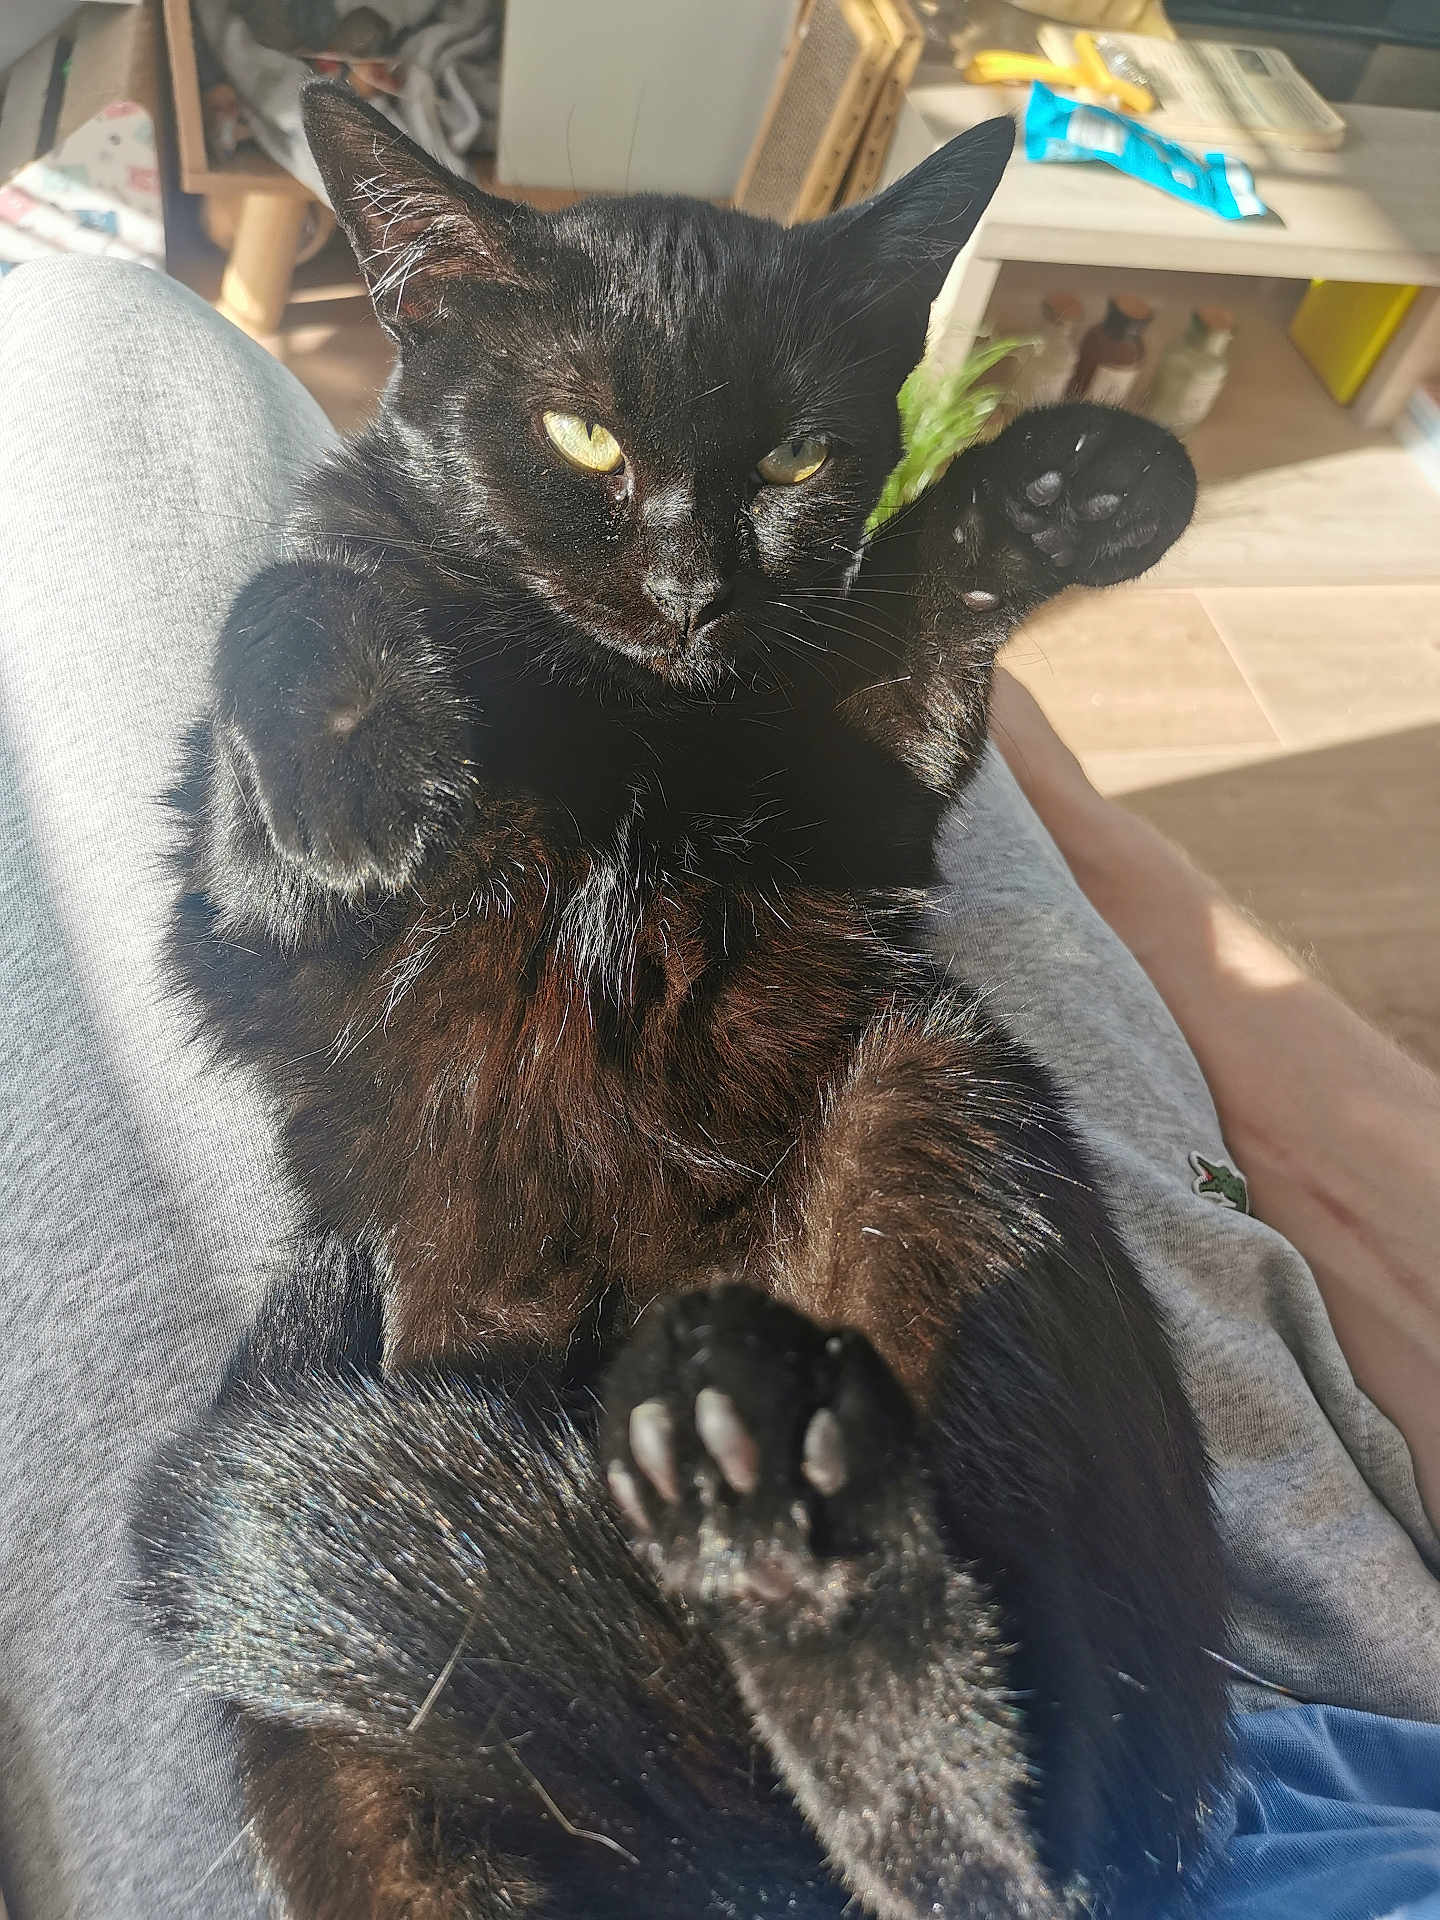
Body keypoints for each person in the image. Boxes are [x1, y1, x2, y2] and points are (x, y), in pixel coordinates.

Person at [0, 256, 1436, 1920]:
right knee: (927, 1022)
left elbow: (259, 948)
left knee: (89, 338)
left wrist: (289, 670)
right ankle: (929, 1785)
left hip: (501, 1363)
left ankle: (928, 1803)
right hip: (1118, 1663)